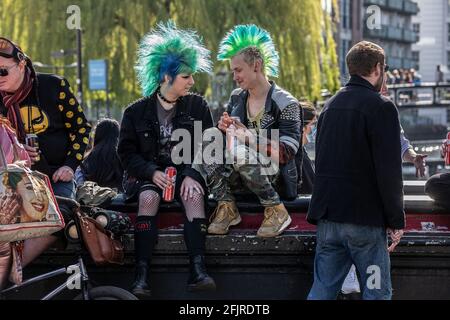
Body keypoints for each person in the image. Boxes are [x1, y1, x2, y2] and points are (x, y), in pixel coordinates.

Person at [118, 22, 216, 299]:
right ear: (165, 76)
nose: (192, 82)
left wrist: (190, 174)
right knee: (148, 200)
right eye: (186, 76)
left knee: (195, 195)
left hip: (184, 173)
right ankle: (141, 275)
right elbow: (126, 154)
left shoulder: (198, 107)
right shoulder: (135, 112)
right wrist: (151, 173)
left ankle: (199, 270)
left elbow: (208, 148)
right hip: (149, 177)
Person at [306, 41, 405, 300]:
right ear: (377, 68)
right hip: (365, 225)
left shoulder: (329, 106)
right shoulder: (381, 107)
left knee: (322, 289)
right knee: (376, 291)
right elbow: (389, 171)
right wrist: (396, 220)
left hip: (329, 220)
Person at [0, 37, 91, 289]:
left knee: (60, 214)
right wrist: (17, 153)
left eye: (2, 70)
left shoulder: (55, 87)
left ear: (21, 64)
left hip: (56, 176)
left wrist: (70, 165)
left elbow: (82, 130)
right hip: (14, 179)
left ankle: (10, 270)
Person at [200, 24, 302, 238]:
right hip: (240, 170)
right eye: (233, 71)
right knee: (208, 140)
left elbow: (287, 153)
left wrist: (249, 139)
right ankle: (227, 206)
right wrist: (224, 131)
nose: (234, 77)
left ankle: (276, 209)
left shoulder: (286, 103)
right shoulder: (237, 97)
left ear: (256, 65)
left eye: (238, 70)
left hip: (275, 177)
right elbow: (227, 142)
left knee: (239, 153)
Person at [75, 118, 123, 190]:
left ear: (97, 134)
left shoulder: (87, 159)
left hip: (92, 198)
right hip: (120, 198)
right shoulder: (123, 156)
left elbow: (79, 182)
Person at [296, 101, 316, 195]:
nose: (315, 128)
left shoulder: (300, 151)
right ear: (302, 127)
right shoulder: (299, 157)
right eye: (313, 124)